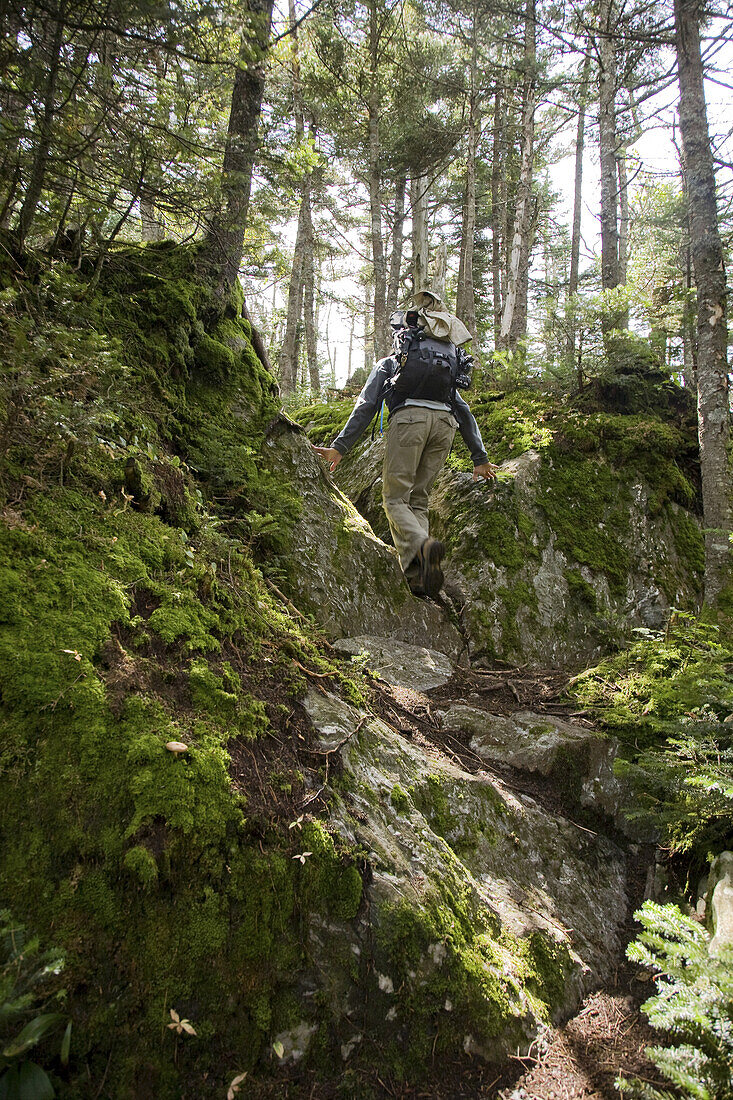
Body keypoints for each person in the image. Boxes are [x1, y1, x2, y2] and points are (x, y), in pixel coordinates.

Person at [313, 293, 497, 599]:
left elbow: (366, 405)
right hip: (445, 426)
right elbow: (462, 409)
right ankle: (419, 578)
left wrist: (340, 447)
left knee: (394, 499)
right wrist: (480, 457)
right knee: (418, 500)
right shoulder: (447, 362)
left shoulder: (394, 361)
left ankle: (422, 547)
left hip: (410, 422)